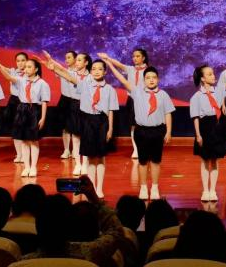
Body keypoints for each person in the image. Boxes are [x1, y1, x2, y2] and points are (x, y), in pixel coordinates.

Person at [104, 60, 175, 200]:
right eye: (148, 78)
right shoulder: (136, 92)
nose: (151, 80)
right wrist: (110, 65)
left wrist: (168, 131)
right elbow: (122, 79)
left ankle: (154, 187)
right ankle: (143, 187)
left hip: (158, 131)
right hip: (141, 131)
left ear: (158, 79)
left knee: (155, 161)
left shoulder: (163, 95)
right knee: (142, 162)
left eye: (154, 77)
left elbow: (168, 113)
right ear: (144, 80)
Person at [49, 53, 118, 197]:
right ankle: (92, 189)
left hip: (102, 122)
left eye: (100, 69)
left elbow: (111, 110)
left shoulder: (110, 89)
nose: (97, 71)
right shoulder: (85, 85)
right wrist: (55, 69)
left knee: (101, 157)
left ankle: (99, 188)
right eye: (94, 69)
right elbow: (70, 78)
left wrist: (110, 128)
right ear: (90, 71)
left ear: (105, 72)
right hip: (88, 121)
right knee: (91, 158)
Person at [23, 178, 128, 267]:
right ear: (71, 227)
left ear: (37, 225)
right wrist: (94, 199)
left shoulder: (23, 265)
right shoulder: (89, 253)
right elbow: (117, 233)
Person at [0, 55, 50, 178]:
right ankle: (26, 167)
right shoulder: (22, 80)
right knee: (24, 140)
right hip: (22, 110)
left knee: (33, 141)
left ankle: (33, 167)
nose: (26, 69)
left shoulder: (42, 83)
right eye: (26, 67)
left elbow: (44, 102)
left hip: (35, 110)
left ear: (36, 69)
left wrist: (43, 118)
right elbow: (9, 77)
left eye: (29, 67)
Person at [98, 47, 150, 159]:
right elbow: (119, 65)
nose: (135, 58)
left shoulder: (149, 70)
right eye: (133, 56)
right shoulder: (130, 69)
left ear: (143, 58)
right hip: (132, 99)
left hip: (145, 99)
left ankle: (145, 148)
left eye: (138, 56)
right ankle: (136, 149)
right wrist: (107, 58)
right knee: (133, 126)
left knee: (145, 125)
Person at [190, 64, 226, 202]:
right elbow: (195, 117)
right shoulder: (196, 97)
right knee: (205, 160)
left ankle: (213, 190)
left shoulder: (218, 91)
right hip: (204, 128)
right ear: (202, 78)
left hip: (217, 127)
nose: (213, 76)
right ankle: (205, 190)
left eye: (213, 73)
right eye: (209, 74)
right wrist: (198, 135)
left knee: (214, 161)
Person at [51, 50, 89, 163]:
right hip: (66, 100)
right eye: (65, 58)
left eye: (69, 58)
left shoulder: (86, 75)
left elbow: (64, 72)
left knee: (78, 128)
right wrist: (51, 63)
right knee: (66, 127)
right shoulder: (68, 71)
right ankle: (67, 149)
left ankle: (78, 151)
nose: (66, 60)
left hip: (80, 102)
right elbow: (61, 70)